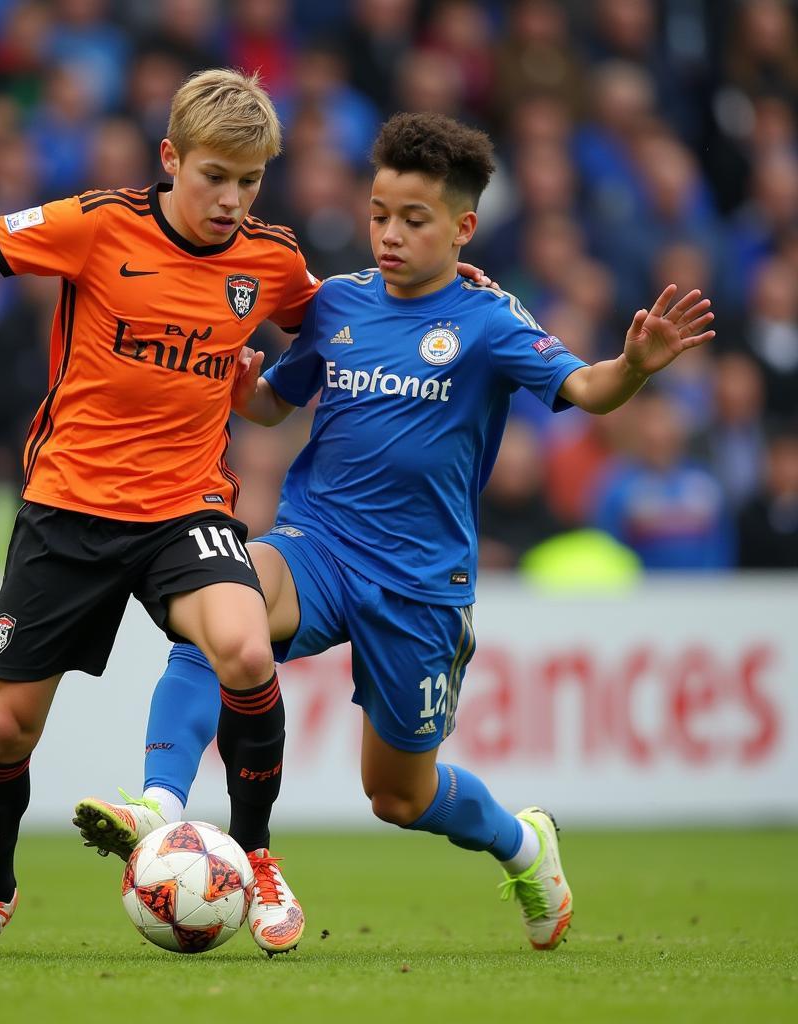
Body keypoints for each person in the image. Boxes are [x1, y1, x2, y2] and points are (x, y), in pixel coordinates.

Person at [77, 111, 716, 952]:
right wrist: (243, 385)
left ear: (463, 227)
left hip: (419, 585)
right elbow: (276, 404)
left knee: (398, 797)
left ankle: (525, 844)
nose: (389, 234)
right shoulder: (338, 304)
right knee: (219, 607)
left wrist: (634, 365)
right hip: (319, 546)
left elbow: (589, 392)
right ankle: (160, 805)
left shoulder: (488, 319)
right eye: (380, 214)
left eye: (414, 221)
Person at [0, 69, 329, 960]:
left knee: (248, 650)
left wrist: (440, 289)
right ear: (171, 157)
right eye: (215, 175)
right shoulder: (99, 226)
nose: (232, 199)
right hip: (69, 507)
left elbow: (335, 318)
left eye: (250, 181)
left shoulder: (271, 258)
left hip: (187, 506)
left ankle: (254, 853)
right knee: (7, 729)